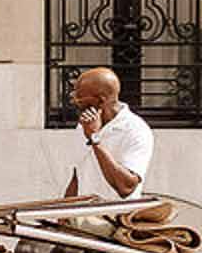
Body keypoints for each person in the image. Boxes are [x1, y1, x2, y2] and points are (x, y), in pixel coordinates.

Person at [62, 66, 153, 201]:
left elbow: (126, 188)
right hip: (85, 211)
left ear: (101, 100)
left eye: (80, 99)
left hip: (118, 213)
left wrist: (94, 139)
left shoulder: (136, 130)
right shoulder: (84, 125)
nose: (75, 102)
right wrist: (64, 210)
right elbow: (78, 175)